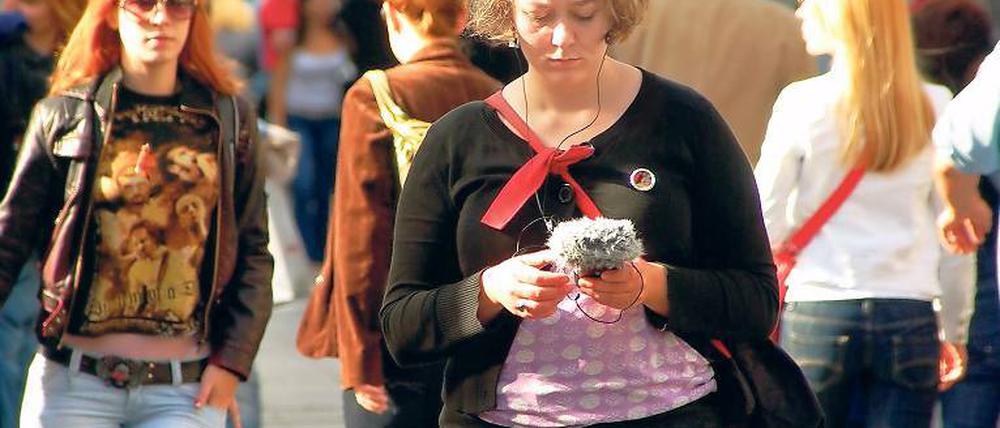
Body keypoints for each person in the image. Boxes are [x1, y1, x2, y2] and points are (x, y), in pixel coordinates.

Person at [378, 0, 795, 426]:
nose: (562, 39)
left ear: (616, 13)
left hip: (674, 411)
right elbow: (402, 326)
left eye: (583, 14)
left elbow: (756, 301)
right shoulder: (457, 137)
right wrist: (490, 291)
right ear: (508, 15)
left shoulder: (685, 120)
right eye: (540, 17)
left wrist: (651, 285)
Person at [0, 0, 273, 426]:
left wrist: (232, 362)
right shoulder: (67, 115)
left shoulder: (227, 118)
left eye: (179, 5)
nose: (161, 17)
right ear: (111, 12)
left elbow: (254, 249)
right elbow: (9, 238)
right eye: (144, 3)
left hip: (184, 391)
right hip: (73, 383)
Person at [754, 0, 975, 426]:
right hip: (909, 309)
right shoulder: (935, 103)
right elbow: (951, 232)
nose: (799, 15)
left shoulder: (801, 103)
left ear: (840, 19)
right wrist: (955, 327)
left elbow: (767, 215)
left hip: (820, 302)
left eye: (809, 6)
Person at [295, 0, 499, 426]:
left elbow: (360, 234)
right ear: (462, 19)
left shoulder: (377, 95)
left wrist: (358, 358)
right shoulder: (498, 98)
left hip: (394, 331)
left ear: (391, 14)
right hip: (475, 324)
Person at [0, 1, 85, 426]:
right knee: (9, 339)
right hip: (15, 219)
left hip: (66, 231)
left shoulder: (86, 63)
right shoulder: (7, 54)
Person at [611, 0, 816, 165]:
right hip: (746, 189)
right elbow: (805, 127)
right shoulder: (786, 28)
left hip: (648, 182)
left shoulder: (631, 16)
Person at [268, 0, 357, 263]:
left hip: (332, 118)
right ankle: (309, 248)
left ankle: (325, 245)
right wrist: (279, 125)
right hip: (300, 119)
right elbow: (278, 86)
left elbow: (349, 76)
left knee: (328, 185)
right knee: (304, 183)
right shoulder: (291, 41)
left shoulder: (342, 36)